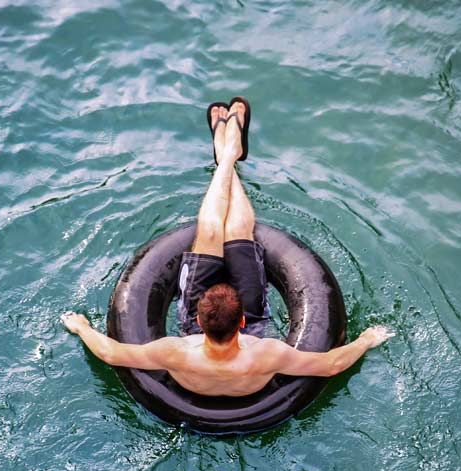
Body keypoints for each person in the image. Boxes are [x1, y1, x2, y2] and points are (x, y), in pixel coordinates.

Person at [61, 98, 394, 397]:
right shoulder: (266, 355)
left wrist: (81, 328)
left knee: (209, 230)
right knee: (237, 230)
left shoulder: (176, 352)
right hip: (246, 354)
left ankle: (226, 157)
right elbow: (333, 364)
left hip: (198, 354)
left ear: (199, 322)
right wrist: (366, 339)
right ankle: (228, 154)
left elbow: (110, 353)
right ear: (242, 324)